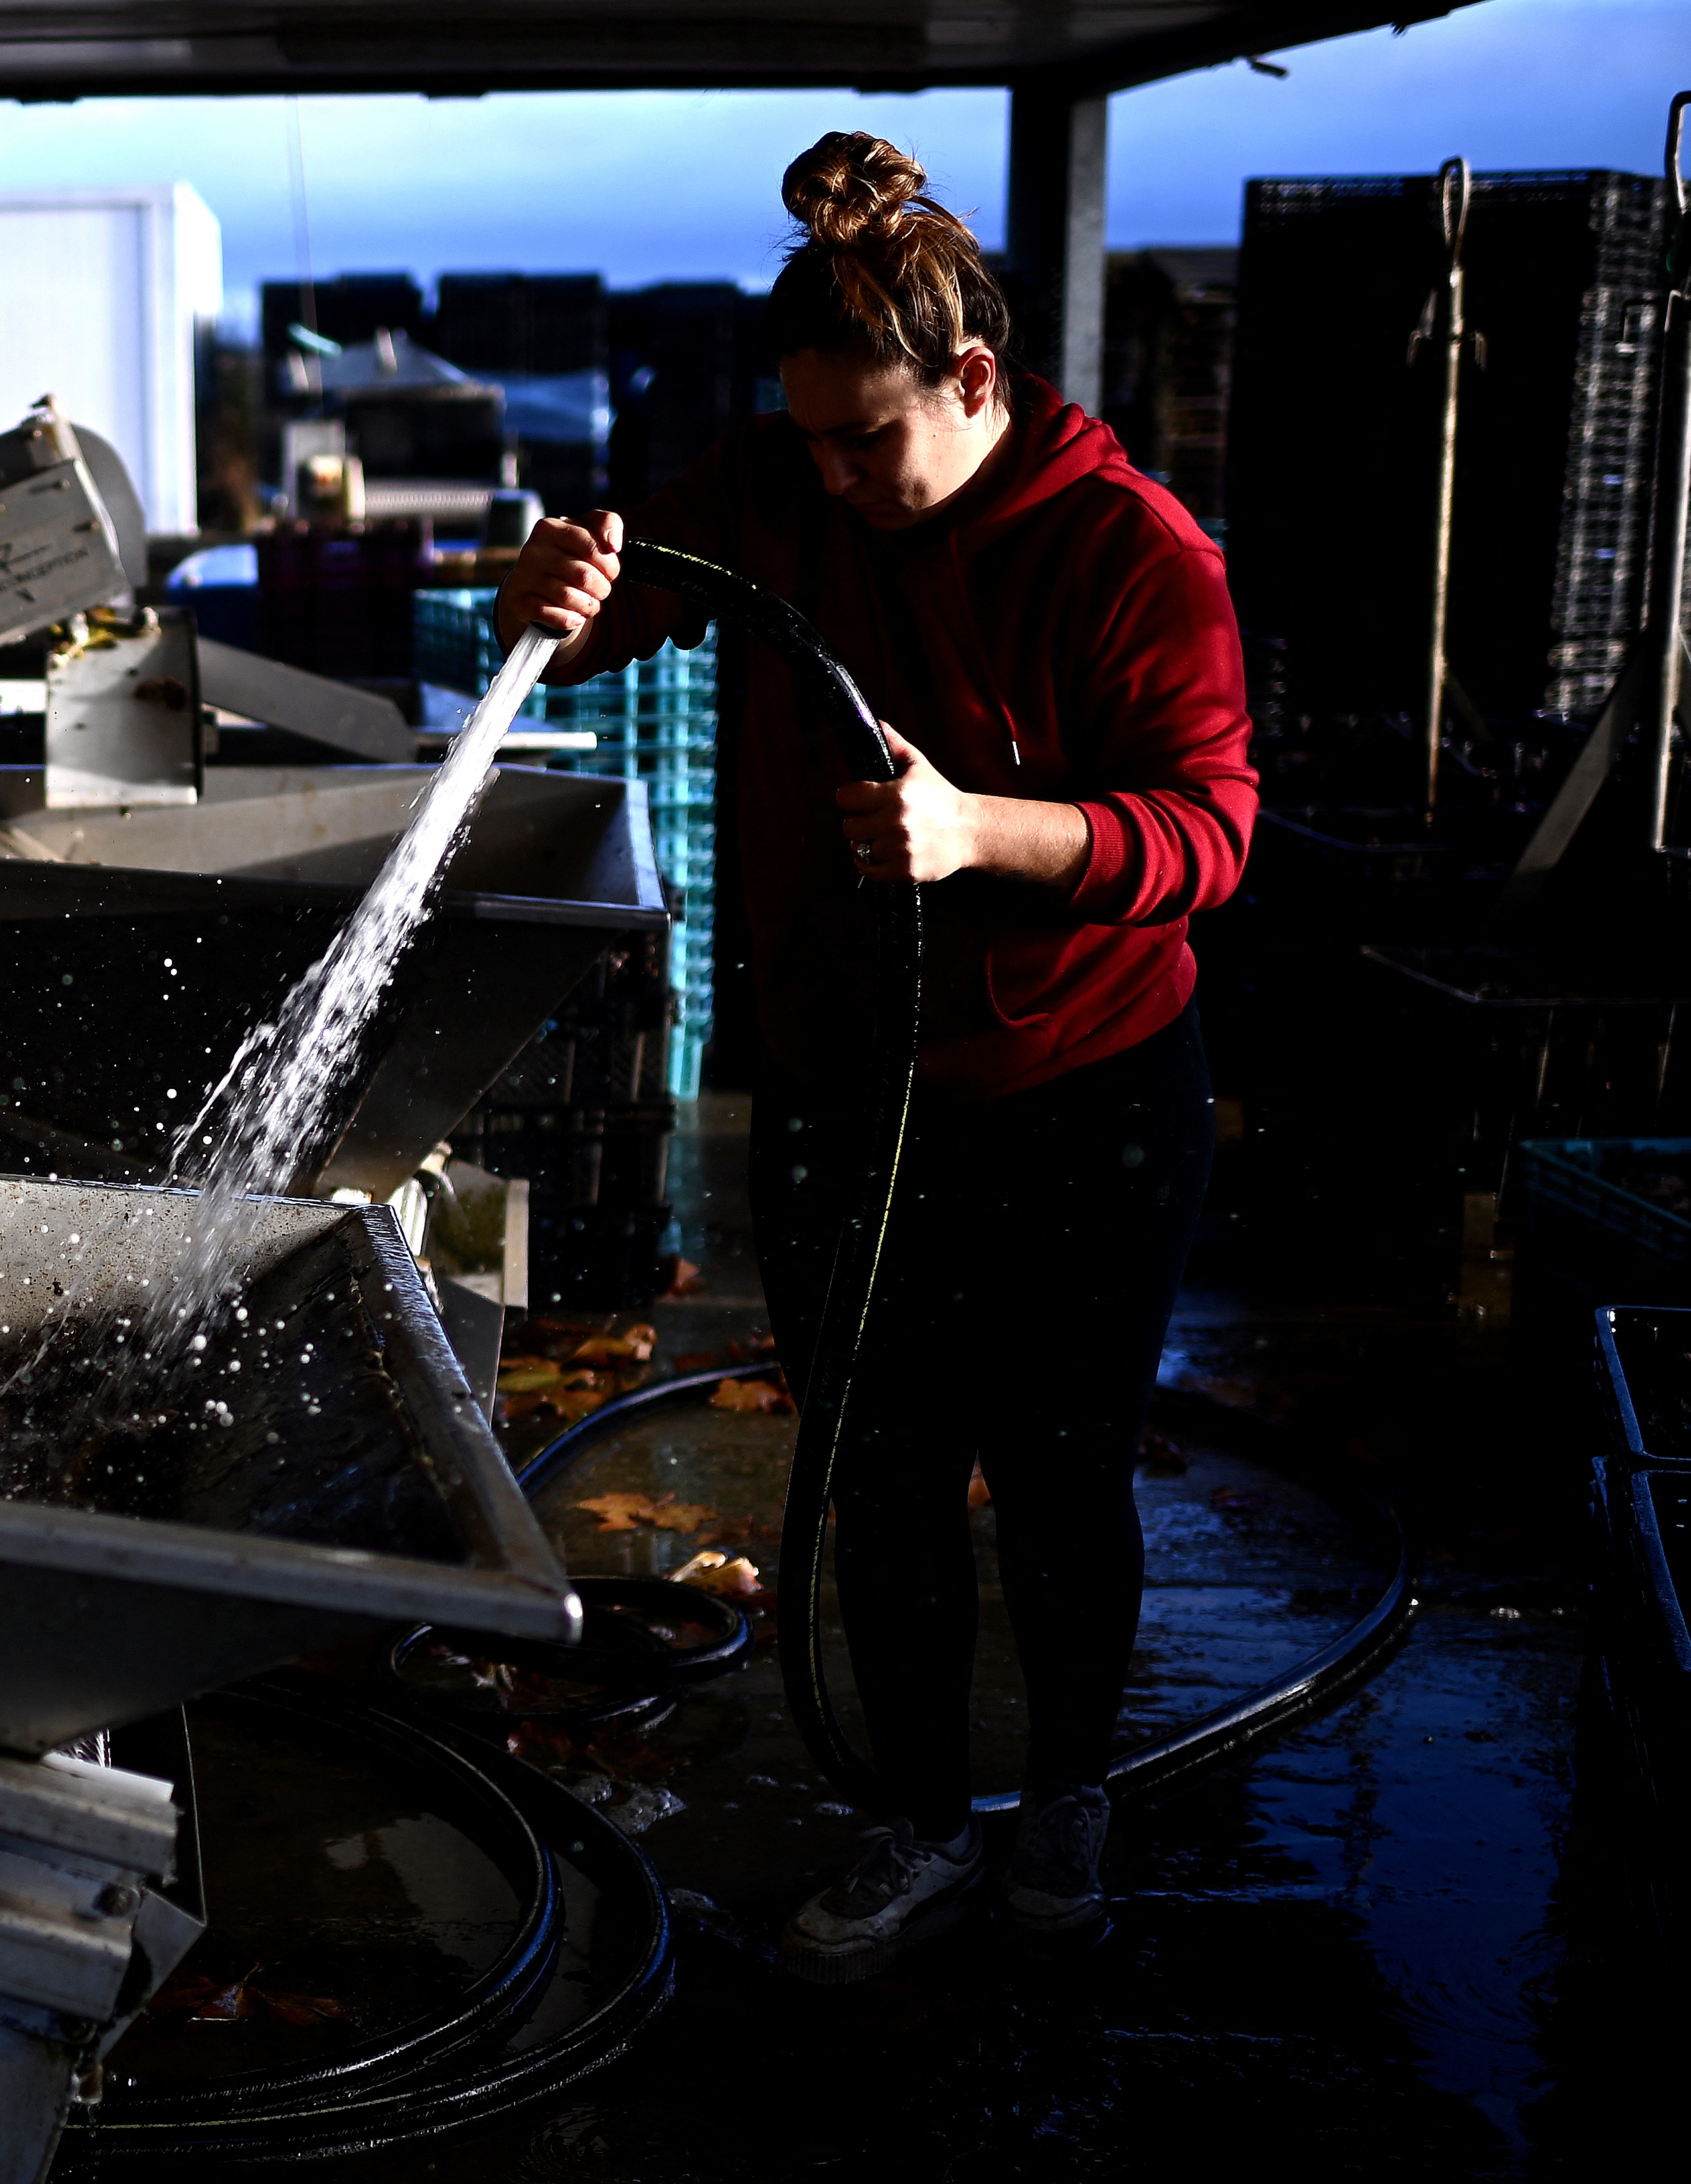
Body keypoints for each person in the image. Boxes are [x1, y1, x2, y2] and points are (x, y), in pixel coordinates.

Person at [497, 129, 1252, 1982]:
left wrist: (984, 833)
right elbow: (638, 601)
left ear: (973, 381)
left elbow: (1211, 831)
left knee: (1063, 1466)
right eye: (804, 441)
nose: (827, 481)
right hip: (852, 1087)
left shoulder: (1128, 551)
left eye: (865, 443)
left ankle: (1064, 1788)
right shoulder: (782, 483)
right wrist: (570, 592)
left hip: (1084, 1092)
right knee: (885, 1468)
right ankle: (918, 1812)